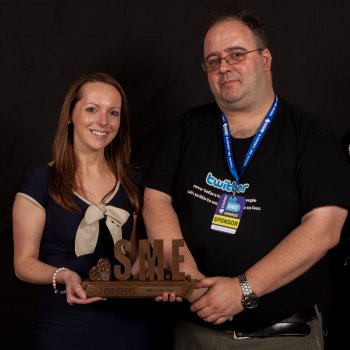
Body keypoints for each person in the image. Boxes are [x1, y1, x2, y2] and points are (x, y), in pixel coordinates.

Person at [142, 8, 350, 350]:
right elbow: (155, 198)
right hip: (193, 333)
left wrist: (242, 289)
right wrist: (186, 276)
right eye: (213, 60)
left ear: (265, 59)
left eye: (236, 54)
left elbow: (324, 229)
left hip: (281, 337)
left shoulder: (312, 136)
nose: (224, 66)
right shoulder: (187, 127)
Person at [12, 72, 156, 349]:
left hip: (130, 327)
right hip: (64, 328)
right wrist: (64, 276)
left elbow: (140, 256)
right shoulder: (41, 182)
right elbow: (23, 264)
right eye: (92, 109)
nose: (103, 121)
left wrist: (159, 282)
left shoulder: (134, 182)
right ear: (70, 115)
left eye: (113, 113)